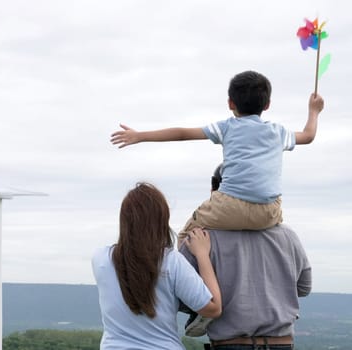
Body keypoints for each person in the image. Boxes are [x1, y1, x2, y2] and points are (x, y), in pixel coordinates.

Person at [110, 71, 325, 246]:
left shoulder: (227, 127)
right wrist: (314, 111)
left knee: (185, 238)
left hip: (229, 206)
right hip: (269, 213)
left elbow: (183, 133)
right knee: (271, 211)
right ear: (267, 104)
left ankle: (201, 289)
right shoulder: (278, 132)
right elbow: (308, 136)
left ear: (231, 103)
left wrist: (140, 136)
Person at [179, 167, 312, 349]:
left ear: (214, 194)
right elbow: (304, 288)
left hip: (230, 344)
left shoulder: (199, 239)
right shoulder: (288, 235)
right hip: (281, 343)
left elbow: (182, 297)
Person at [92, 182, 222, 349]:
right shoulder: (171, 262)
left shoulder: (101, 259)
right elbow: (213, 308)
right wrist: (202, 254)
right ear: (162, 219)